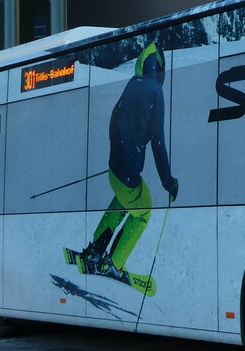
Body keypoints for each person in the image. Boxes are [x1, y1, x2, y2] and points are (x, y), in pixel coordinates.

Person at [64, 42, 177, 294]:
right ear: (158, 69)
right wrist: (167, 181)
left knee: (122, 203)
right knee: (144, 209)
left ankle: (95, 252)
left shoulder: (132, 86)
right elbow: (158, 140)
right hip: (127, 172)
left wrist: (125, 148)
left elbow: (119, 121)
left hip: (115, 167)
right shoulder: (155, 92)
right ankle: (113, 264)